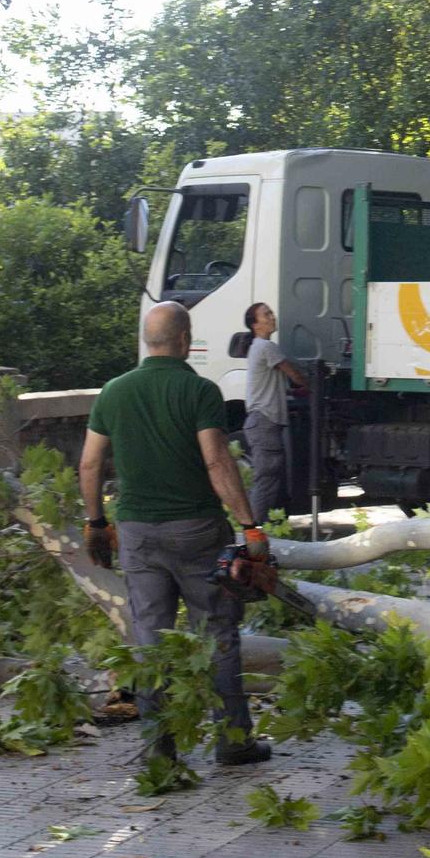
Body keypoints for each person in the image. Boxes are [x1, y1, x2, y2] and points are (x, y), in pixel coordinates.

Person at [78, 301, 272, 768]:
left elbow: (89, 463)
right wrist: (249, 525)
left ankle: (159, 748)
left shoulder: (114, 392)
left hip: (138, 534)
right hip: (197, 532)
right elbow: (217, 461)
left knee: (150, 637)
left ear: (150, 341)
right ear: (185, 340)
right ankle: (232, 742)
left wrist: (96, 523)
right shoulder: (199, 391)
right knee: (217, 633)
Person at [242, 301, 309, 525]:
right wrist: (310, 384)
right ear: (255, 324)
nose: (272, 316)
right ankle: (253, 532)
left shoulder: (257, 348)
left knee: (269, 479)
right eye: (266, 314)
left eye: (271, 312)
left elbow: (278, 384)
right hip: (265, 422)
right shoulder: (266, 347)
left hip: (260, 421)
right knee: (267, 479)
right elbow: (294, 374)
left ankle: (263, 528)